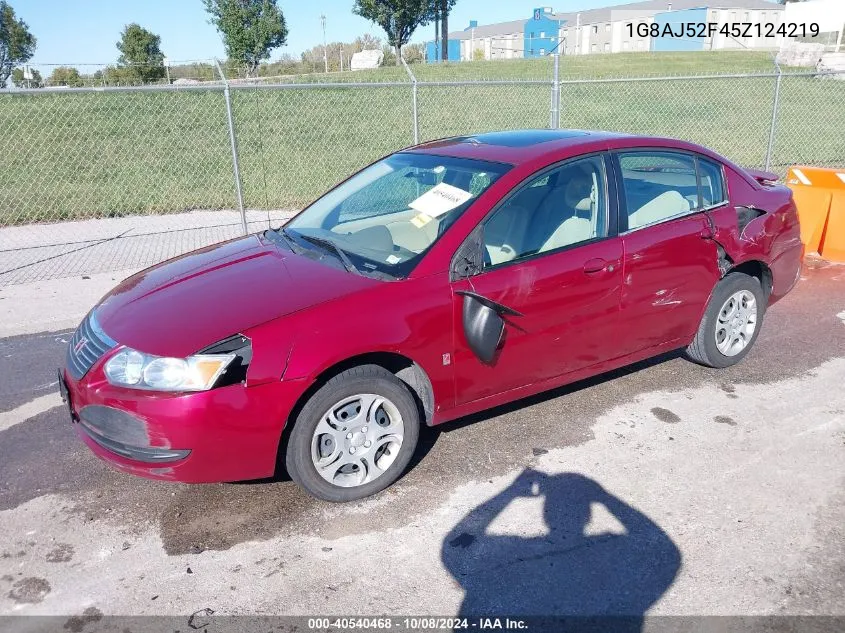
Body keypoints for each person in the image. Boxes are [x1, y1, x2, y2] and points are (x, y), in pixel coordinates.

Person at [441, 470, 681, 632]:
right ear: (589, 513)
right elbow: (666, 551)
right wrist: (605, 498)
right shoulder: (612, 553)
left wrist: (511, 493)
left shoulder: (513, 554)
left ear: (545, 513)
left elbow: (454, 546)